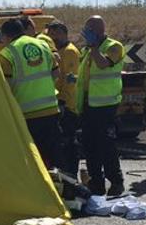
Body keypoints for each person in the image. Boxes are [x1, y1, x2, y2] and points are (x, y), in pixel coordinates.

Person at [0, 19, 61, 171]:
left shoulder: (6, 54)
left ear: (5, 36)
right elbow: (56, 73)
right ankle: (62, 191)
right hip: (51, 109)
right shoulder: (43, 45)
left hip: (27, 115)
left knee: (34, 161)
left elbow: (4, 87)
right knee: (54, 157)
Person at [76, 16, 126, 196]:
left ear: (99, 30)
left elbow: (103, 64)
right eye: (86, 29)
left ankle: (116, 182)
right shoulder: (88, 50)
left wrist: (94, 47)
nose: (86, 32)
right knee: (90, 147)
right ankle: (96, 183)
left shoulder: (114, 47)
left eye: (90, 29)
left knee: (107, 146)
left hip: (106, 105)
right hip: (88, 105)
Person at [46, 21, 82, 176]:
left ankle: (72, 175)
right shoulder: (55, 51)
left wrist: (63, 101)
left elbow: (71, 80)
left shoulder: (69, 52)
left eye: (56, 35)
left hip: (67, 105)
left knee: (69, 144)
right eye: (51, 35)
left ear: (64, 33)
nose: (53, 38)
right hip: (56, 103)